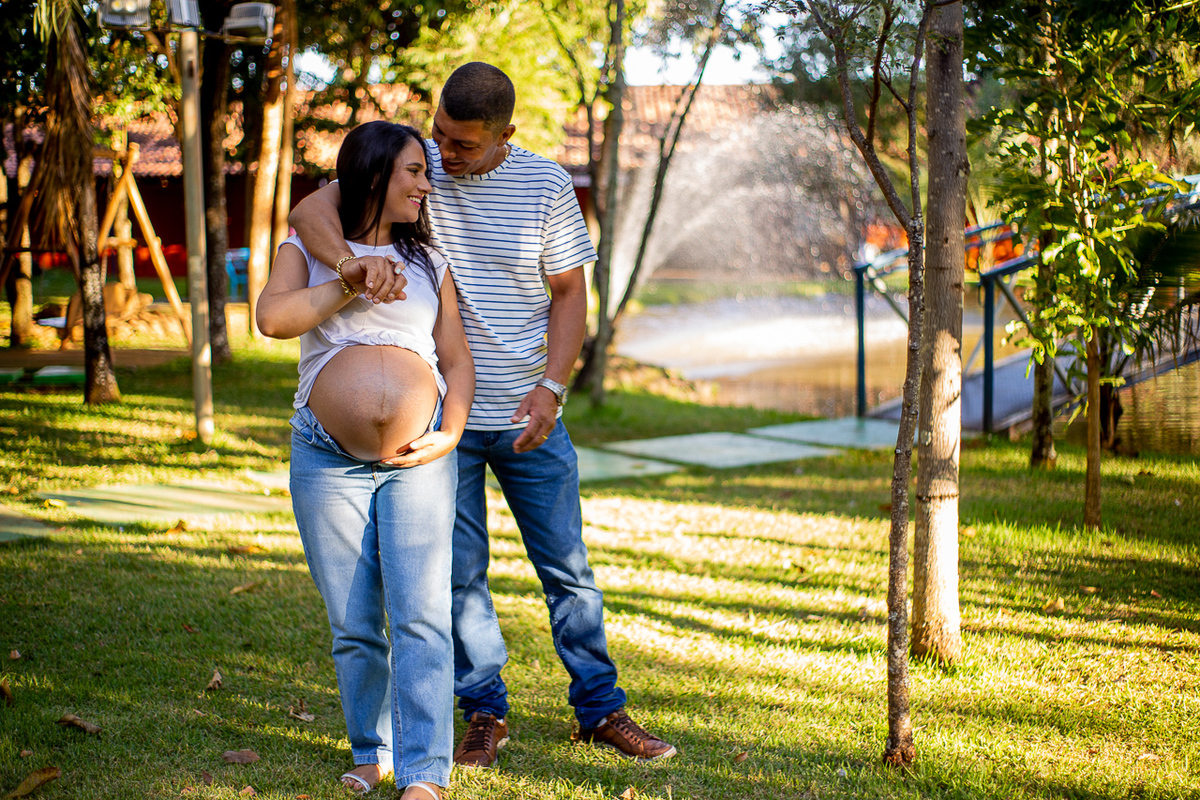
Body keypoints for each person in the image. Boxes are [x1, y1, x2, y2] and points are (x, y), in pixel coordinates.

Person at [290, 62, 677, 768]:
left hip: (529, 412)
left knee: (567, 568)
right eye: (439, 134)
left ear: (507, 135)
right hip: (439, 422)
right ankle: (484, 712)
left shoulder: (547, 187)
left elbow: (568, 294)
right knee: (460, 574)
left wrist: (553, 387)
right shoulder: (414, 165)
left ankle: (600, 708)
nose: (445, 155)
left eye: (463, 144)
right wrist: (349, 265)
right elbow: (310, 212)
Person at [258, 120, 474, 799]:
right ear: (375, 174)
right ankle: (371, 749)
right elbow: (272, 319)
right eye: (413, 170)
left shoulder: (429, 260)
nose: (425, 183)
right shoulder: (310, 248)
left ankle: (424, 773)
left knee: (421, 614)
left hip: (420, 459)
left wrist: (454, 431)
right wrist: (349, 279)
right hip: (327, 460)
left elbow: (457, 356)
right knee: (354, 623)